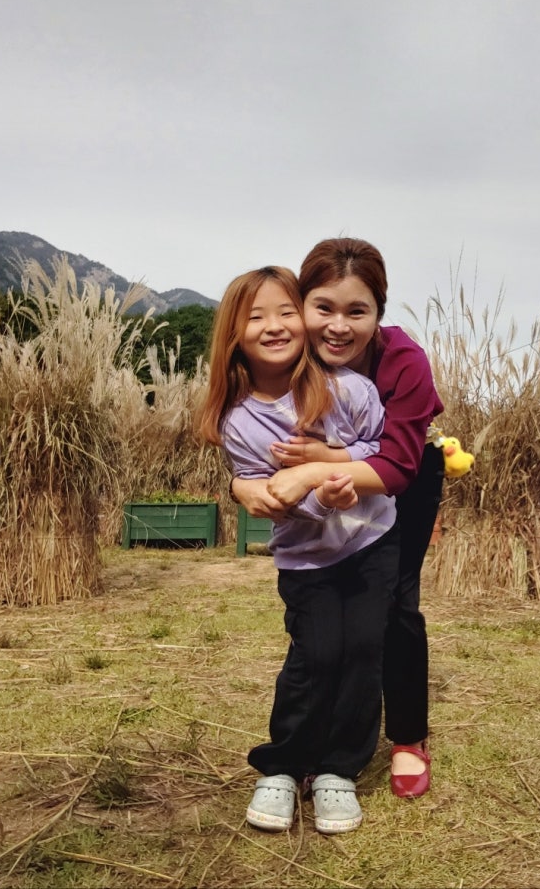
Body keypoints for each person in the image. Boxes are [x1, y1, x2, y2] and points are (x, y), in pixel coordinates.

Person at [232, 239, 445, 799]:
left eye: (358, 311)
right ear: (302, 304)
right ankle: (311, 745)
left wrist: (318, 466)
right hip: (318, 501)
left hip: (403, 473)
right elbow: (248, 435)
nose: (338, 326)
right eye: (323, 307)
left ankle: (407, 737)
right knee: (324, 633)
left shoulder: (403, 361)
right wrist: (240, 485)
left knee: (397, 607)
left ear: (378, 314)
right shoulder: (287, 350)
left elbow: (398, 464)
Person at [198, 265, 400, 834]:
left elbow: (380, 446)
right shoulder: (240, 422)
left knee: (364, 650)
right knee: (316, 654)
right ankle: (284, 765)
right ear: (234, 334)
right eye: (255, 317)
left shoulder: (349, 388)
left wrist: (335, 468)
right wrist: (308, 500)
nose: (274, 326)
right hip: (306, 557)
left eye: (286, 311)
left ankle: (339, 769)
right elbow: (266, 492)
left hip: (371, 541)